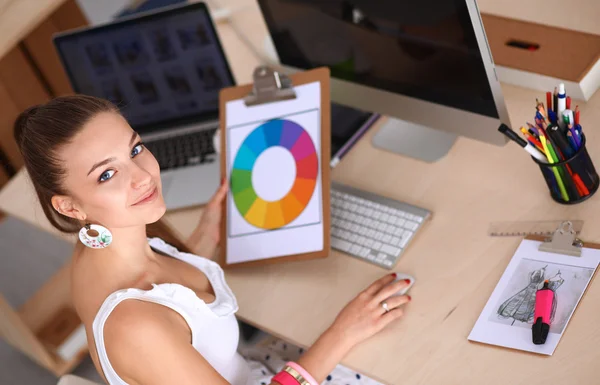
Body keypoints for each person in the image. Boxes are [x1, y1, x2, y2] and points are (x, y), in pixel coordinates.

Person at [13, 95, 411, 385]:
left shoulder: (98, 245)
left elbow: (169, 305)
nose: (143, 175)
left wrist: (203, 237)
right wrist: (341, 334)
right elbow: (153, 322)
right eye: (106, 174)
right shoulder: (133, 326)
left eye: (135, 148)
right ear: (69, 207)